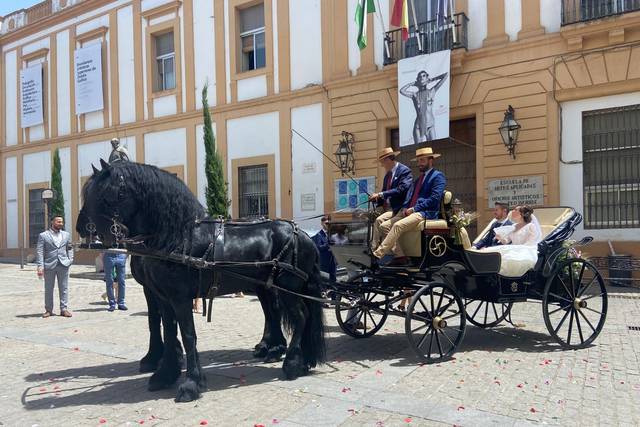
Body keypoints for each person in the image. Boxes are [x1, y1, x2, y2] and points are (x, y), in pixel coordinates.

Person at [373, 147, 446, 265]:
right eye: (418, 161)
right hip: (410, 210)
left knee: (397, 225)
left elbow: (434, 199)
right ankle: (400, 256)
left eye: (422, 160)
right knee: (384, 226)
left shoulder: (438, 176)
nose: (419, 163)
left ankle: (378, 254)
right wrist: (406, 207)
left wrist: (414, 209)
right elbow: (409, 197)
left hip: (424, 212)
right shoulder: (418, 180)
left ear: (430, 160)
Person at [478, 205, 543, 277]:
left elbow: (531, 243)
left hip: (526, 250)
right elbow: (506, 241)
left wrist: (517, 249)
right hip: (514, 249)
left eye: (515, 210)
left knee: (509, 258)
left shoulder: (531, 226)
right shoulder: (514, 226)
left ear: (522, 214)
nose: (512, 211)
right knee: (492, 253)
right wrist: (499, 238)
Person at [369, 147, 413, 251]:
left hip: (400, 208)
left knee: (380, 222)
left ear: (388, 160)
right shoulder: (387, 175)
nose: (381, 165)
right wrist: (376, 199)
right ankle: (374, 247)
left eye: (382, 162)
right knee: (374, 218)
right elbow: (384, 193)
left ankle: (392, 252)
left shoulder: (404, 171)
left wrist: (380, 194)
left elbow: (402, 189)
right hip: (389, 208)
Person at [36, 216, 74, 318]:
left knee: (64, 288)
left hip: (63, 264)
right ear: (52, 222)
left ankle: (64, 309)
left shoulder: (66, 235)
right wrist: (40, 266)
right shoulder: (43, 235)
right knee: (49, 288)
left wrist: (70, 260)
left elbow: (69, 248)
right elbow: (40, 251)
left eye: (62, 222)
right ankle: (48, 310)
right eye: (58, 221)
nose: (60, 223)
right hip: (49, 265)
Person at [400, 70, 448, 143]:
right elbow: (402, 91)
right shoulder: (414, 95)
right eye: (420, 76)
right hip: (418, 127)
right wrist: (412, 83)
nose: (421, 77)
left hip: (430, 125)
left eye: (424, 76)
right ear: (417, 79)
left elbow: (446, 75)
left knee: (434, 148)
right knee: (419, 151)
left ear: (427, 78)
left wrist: (432, 79)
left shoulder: (432, 91)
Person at [311, 215, 338, 284]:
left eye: (329, 223)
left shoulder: (332, 234)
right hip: (324, 263)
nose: (328, 225)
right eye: (326, 223)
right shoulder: (318, 235)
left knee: (333, 280)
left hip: (333, 262)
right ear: (322, 224)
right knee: (324, 281)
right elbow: (319, 248)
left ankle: (333, 294)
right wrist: (329, 245)